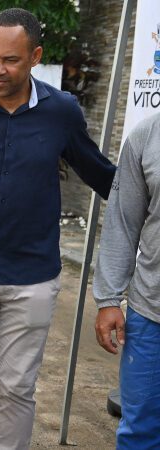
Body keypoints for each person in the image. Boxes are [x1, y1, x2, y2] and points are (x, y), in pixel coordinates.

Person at [0, 8, 116, 450]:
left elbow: (99, 173)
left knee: (18, 388)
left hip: (33, 276)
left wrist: (145, 195)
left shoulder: (62, 112)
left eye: (9, 60)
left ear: (34, 56)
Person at [93, 113, 160, 449]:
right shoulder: (148, 135)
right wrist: (108, 300)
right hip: (152, 313)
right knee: (141, 433)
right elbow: (123, 222)